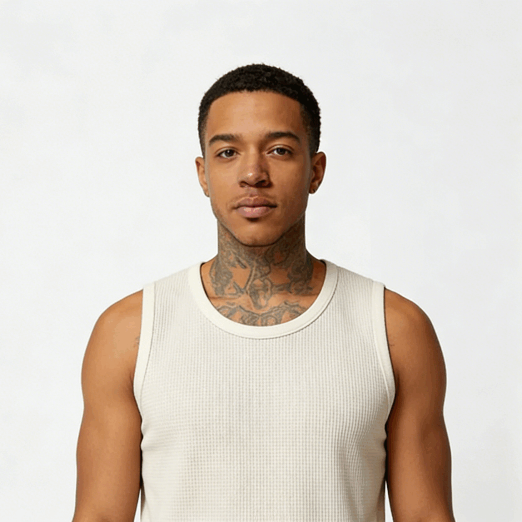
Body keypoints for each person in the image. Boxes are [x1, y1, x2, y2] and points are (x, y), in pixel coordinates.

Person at [72, 64, 456, 522]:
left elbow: (427, 515)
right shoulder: (130, 332)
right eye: (228, 152)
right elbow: (99, 515)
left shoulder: (394, 330)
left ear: (315, 171)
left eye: (279, 150)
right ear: (203, 174)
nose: (253, 173)